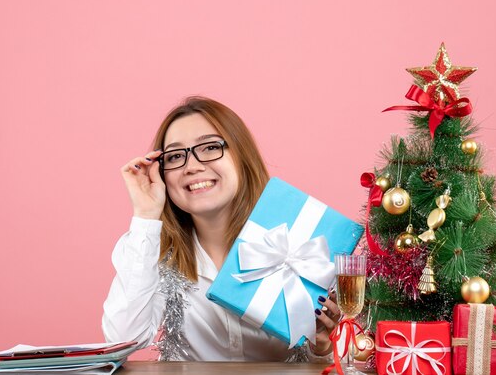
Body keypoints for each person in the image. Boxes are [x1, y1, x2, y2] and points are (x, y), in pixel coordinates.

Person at [102, 96, 340, 361]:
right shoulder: (151, 250)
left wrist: (323, 347)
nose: (192, 167)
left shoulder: (299, 242)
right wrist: (146, 214)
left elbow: (335, 357)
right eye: (176, 156)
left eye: (209, 147)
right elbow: (122, 340)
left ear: (241, 156)